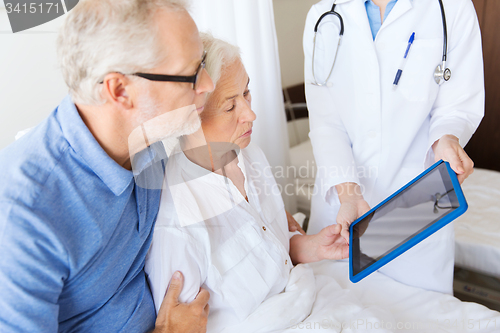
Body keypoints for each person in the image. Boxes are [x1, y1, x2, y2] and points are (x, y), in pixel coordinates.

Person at [0, 0, 215, 332]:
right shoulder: (24, 214)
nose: (207, 85)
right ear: (120, 90)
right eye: (191, 74)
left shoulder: (148, 137)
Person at [145, 34, 350, 332]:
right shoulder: (176, 222)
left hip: (308, 301)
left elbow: (267, 253)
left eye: (247, 92)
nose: (251, 114)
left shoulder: (249, 154)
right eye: (230, 107)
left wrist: (310, 247)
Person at [303, 0, 484, 294]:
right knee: (337, 310)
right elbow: (326, 123)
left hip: (418, 204)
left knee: (419, 318)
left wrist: (446, 138)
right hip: (342, 206)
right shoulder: (323, 16)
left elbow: (457, 106)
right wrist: (348, 194)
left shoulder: (452, 8)